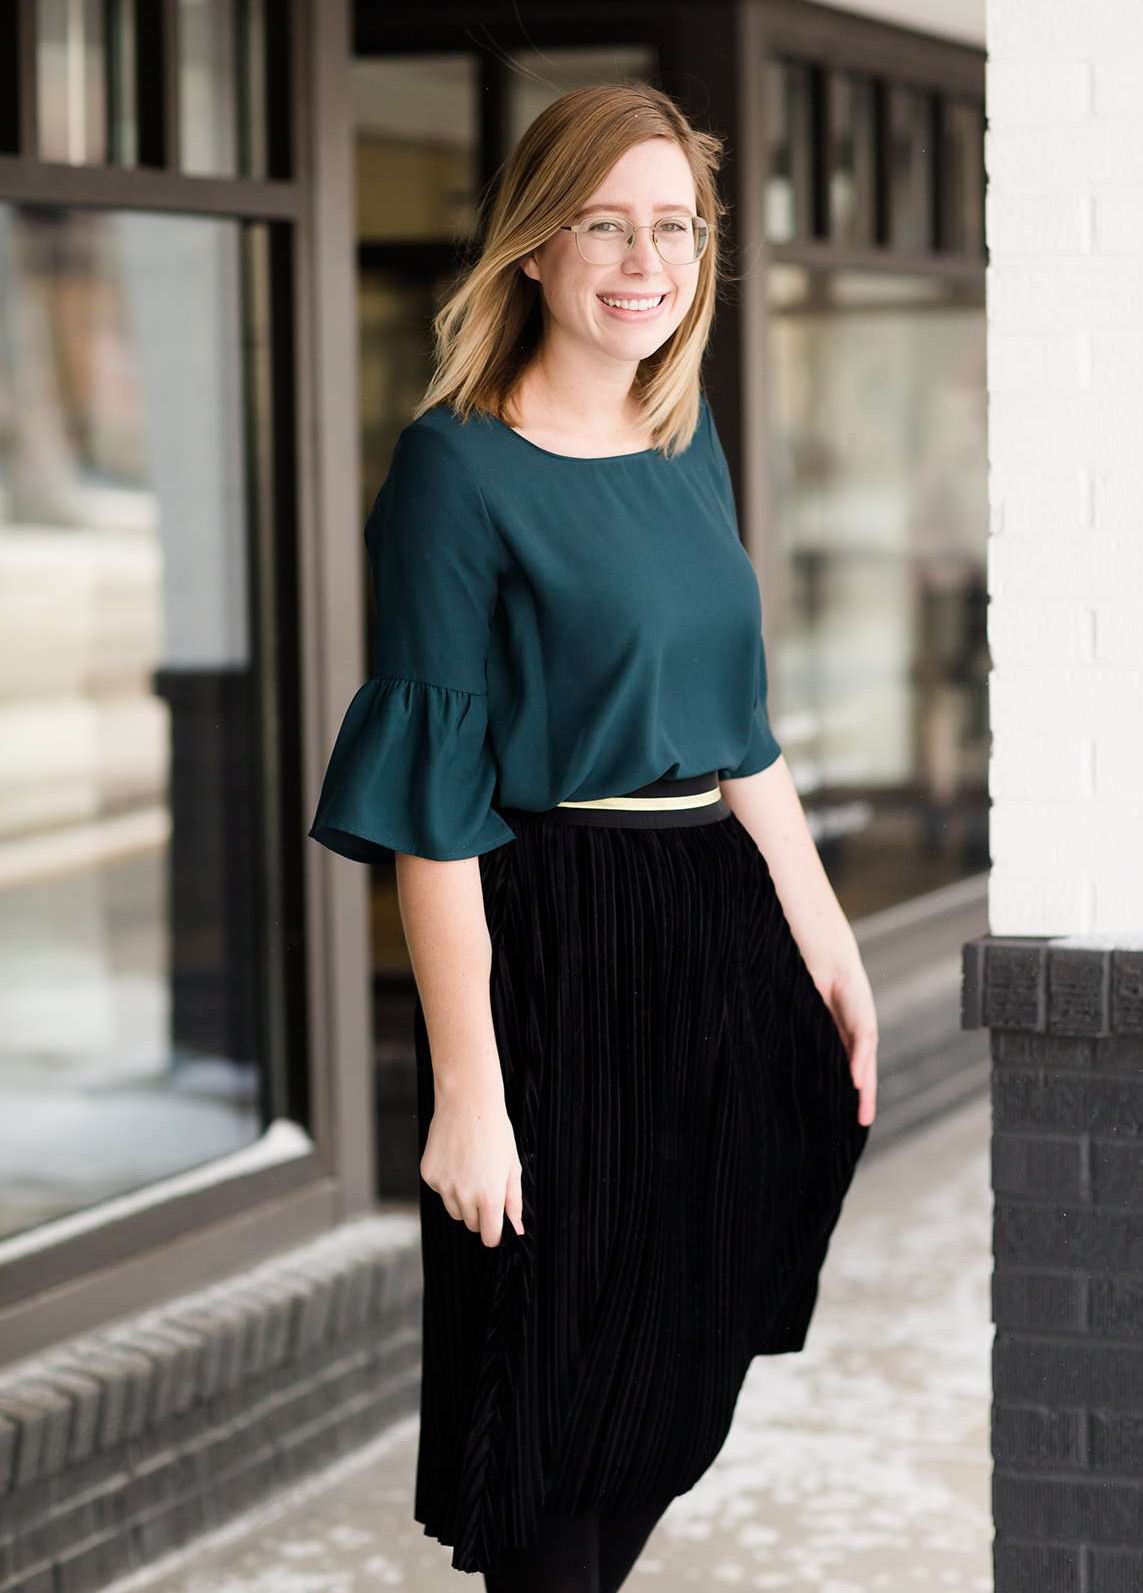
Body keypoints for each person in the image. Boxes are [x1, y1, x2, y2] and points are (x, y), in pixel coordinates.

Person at [308, 80, 878, 1590]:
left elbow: (742, 736)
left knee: (674, 1373)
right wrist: (467, 1094)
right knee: (551, 1410)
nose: (646, 259)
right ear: (534, 251)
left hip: (715, 930)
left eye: (674, 227)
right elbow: (438, 815)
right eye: (605, 224)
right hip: (551, 944)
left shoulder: (686, 437)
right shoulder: (457, 468)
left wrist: (833, 954)